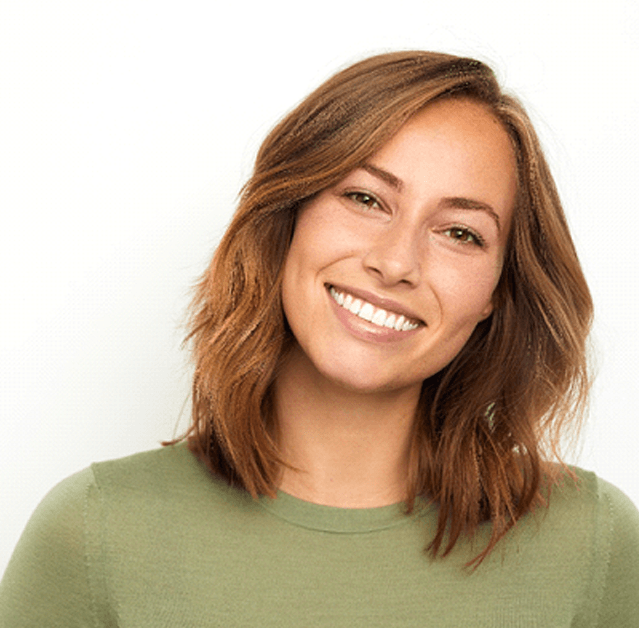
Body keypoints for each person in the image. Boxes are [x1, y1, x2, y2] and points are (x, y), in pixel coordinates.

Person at [1, 50, 638, 626]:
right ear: (289, 217)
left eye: (460, 233)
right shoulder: (97, 532)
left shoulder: (593, 547)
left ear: (496, 293)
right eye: (365, 198)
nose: (395, 263)